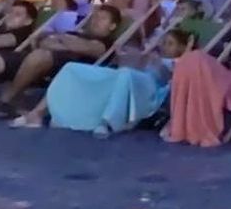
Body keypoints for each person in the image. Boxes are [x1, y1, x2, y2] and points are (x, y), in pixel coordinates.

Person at [10, 28, 190, 136]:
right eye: (164, 42)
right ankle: (37, 114)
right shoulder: (152, 56)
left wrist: (179, 55)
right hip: (127, 79)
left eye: (170, 43)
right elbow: (129, 65)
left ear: (182, 47)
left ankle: (107, 122)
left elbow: (171, 80)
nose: (164, 46)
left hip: (149, 90)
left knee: (125, 74)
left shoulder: (184, 63)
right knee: (72, 68)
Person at [0, 4, 123, 119]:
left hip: (68, 68)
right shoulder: (75, 33)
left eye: (102, 18)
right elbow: (45, 42)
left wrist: (62, 39)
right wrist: (68, 41)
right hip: (43, 60)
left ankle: (5, 100)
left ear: (112, 26)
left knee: (39, 55)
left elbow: (89, 49)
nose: (95, 21)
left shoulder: (106, 43)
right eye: (94, 17)